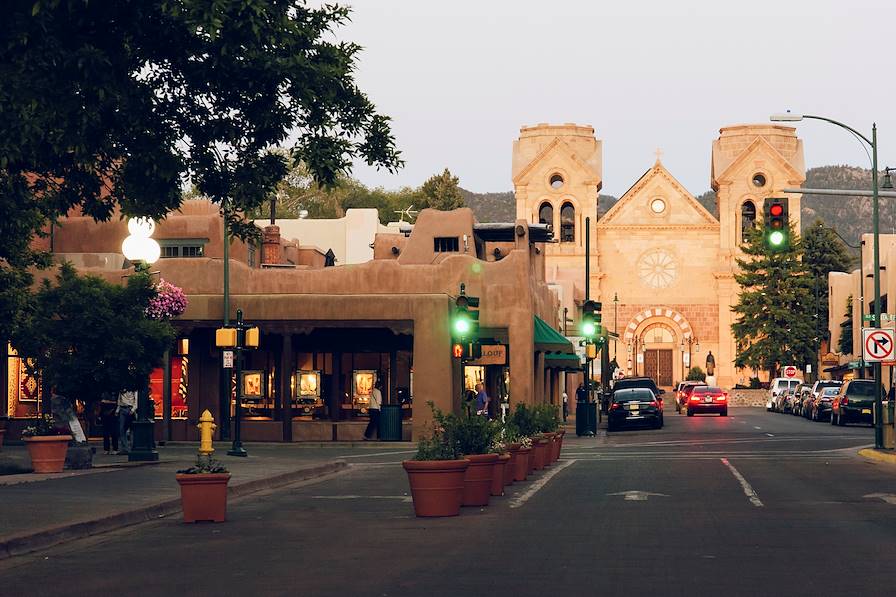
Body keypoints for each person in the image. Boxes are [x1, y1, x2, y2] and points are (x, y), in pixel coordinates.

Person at [117, 389, 137, 455]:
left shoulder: (133, 389)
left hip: (130, 408)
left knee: (131, 429)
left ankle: (132, 447)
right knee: (122, 429)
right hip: (123, 408)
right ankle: (125, 448)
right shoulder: (122, 390)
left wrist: (133, 409)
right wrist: (118, 410)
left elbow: (136, 400)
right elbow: (119, 400)